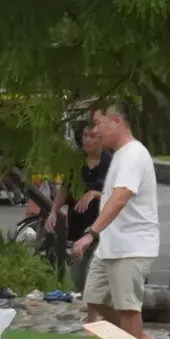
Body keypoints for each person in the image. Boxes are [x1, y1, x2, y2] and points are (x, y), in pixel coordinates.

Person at [72, 104, 160, 339]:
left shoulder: (134, 154)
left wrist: (90, 232)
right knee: (95, 298)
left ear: (116, 121)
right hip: (112, 245)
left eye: (99, 124)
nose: (95, 131)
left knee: (128, 307)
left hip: (133, 246)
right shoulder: (119, 156)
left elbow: (120, 198)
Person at [56, 119, 111, 295]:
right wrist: (53, 211)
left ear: (102, 139)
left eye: (92, 136)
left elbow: (117, 197)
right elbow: (65, 188)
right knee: (78, 282)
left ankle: (97, 316)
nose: (87, 140)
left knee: (94, 282)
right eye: (85, 135)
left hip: (101, 231)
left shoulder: (111, 163)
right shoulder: (76, 162)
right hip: (77, 228)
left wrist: (94, 194)